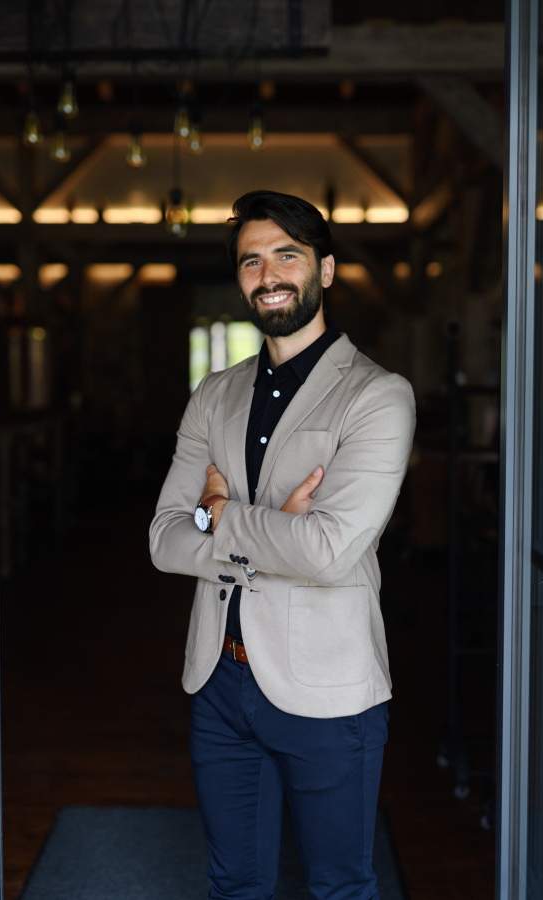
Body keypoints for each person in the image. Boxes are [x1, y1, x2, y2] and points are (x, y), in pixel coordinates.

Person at [150, 190, 416, 900]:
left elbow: (329, 552)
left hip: (330, 687)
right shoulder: (214, 394)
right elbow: (163, 539)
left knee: (340, 887)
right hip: (219, 681)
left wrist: (220, 514)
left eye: (287, 255)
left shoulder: (377, 396)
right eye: (251, 260)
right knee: (235, 884)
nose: (268, 274)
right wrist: (269, 527)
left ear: (325, 270)